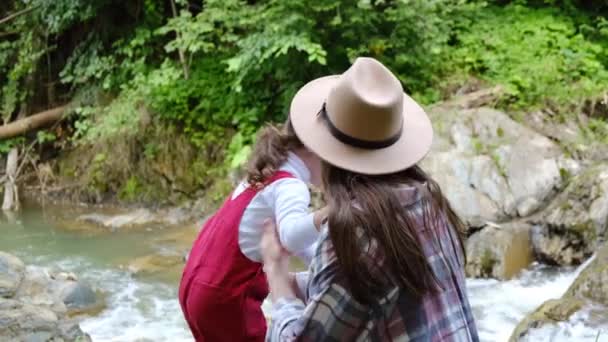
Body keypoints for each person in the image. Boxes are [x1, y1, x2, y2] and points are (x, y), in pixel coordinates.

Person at [261, 57, 479, 341]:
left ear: (327, 152)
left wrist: (277, 278)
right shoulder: (429, 199)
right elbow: (377, 290)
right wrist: (298, 285)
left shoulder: (355, 229)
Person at [179, 121, 327, 341]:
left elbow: (298, 242)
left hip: (197, 287)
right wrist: (332, 213)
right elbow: (291, 236)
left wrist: (330, 264)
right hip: (225, 297)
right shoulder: (291, 186)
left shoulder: (268, 173)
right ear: (315, 148)